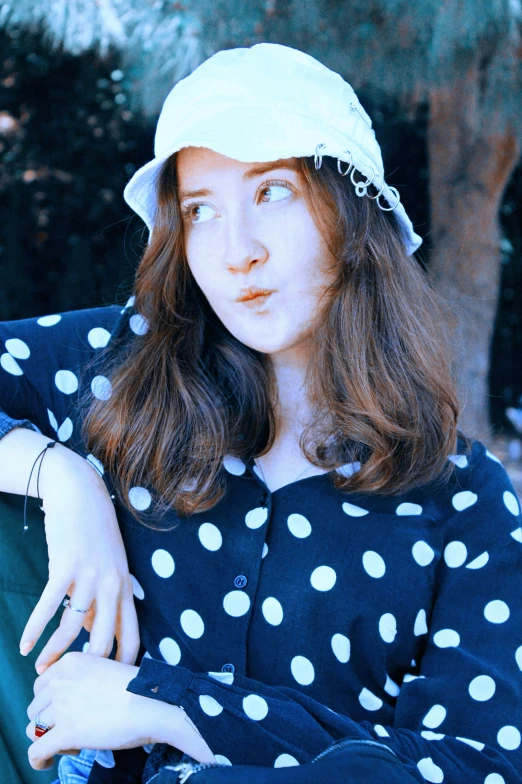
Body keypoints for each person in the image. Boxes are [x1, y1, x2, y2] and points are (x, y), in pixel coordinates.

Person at [0, 41, 521, 784]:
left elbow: (477, 767)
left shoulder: (463, 498)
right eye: (201, 211)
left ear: (351, 211)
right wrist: (64, 482)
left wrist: (170, 706)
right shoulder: (129, 369)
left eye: (273, 193)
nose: (235, 251)